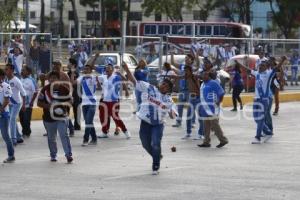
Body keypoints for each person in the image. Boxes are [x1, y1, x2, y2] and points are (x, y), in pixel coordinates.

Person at [123, 62, 177, 175]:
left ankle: (155, 166)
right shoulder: (149, 88)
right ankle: (157, 155)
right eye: (163, 84)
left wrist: (172, 113)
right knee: (145, 144)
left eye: (167, 87)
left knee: (155, 143)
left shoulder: (169, 100)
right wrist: (127, 69)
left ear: (168, 91)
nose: (164, 86)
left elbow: (173, 113)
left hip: (158, 125)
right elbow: (134, 81)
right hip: (145, 122)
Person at [237, 56, 286, 144]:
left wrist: (282, 60)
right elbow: (247, 69)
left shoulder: (269, 74)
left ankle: (257, 137)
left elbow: (277, 68)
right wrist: (239, 63)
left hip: (264, 100)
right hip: (256, 99)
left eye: (262, 66)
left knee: (260, 118)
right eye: (259, 66)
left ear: (266, 67)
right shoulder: (257, 73)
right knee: (256, 119)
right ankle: (268, 131)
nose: (260, 67)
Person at [37, 71, 73, 163]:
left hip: (62, 117)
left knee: (64, 135)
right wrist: (48, 106)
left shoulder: (64, 89)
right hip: (49, 118)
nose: (52, 79)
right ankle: (53, 155)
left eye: (54, 78)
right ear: (48, 80)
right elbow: (39, 103)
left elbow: (71, 101)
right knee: (51, 138)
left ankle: (68, 155)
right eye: (50, 78)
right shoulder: (44, 90)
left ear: (58, 79)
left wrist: (63, 105)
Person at [98, 63, 131, 139]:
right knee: (102, 116)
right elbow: (96, 80)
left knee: (115, 117)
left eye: (109, 68)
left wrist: (121, 74)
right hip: (104, 100)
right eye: (106, 68)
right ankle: (104, 132)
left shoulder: (116, 77)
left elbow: (126, 80)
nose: (107, 69)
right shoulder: (103, 77)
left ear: (112, 70)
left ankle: (125, 131)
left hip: (113, 100)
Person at [198, 70, 228, 148]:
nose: (204, 76)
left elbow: (221, 92)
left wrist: (219, 101)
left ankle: (223, 140)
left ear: (209, 76)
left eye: (206, 75)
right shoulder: (202, 84)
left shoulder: (213, 83)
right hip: (204, 108)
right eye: (203, 75)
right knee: (206, 126)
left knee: (215, 125)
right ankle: (206, 141)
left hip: (212, 108)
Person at [171, 52, 195, 128]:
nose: (186, 59)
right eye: (185, 58)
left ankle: (192, 122)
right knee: (180, 106)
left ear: (191, 60)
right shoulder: (182, 66)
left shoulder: (193, 68)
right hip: (182, 90)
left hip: (190, 90)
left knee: (191, 107)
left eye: (188, 58)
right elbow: (173, 63)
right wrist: (172, 54)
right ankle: (178, 121)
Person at [77, 64, 99, 146]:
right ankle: (94, 138)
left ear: (90, 71)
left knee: (88, 122)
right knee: (88, 122)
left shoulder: (93, 78)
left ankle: (85, 139)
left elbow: (95, 81)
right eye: (84, 69)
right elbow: (73, 82)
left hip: (92, 103)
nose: (85, 70)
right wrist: (72, 73)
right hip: (84, 103)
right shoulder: (81, 78)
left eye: (87, 69)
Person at [5, 63, 26, 145]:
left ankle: (13, 139)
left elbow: (23, 93)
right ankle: (19, 137)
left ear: (12, 70)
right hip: (9, 104)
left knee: (12, 120)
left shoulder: (16, 81)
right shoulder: (6, 80)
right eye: (5, 69)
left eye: (7, 69)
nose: (5, 70)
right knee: (12, 120)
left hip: (17, 103)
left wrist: (24, 105)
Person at [0, 69, 15, 163]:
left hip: (3, 115)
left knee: (5, 136)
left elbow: (6, 100)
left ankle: (11, 155)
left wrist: (0, 110)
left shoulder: (6, 86)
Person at [19, 66, 38, 137]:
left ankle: (26, 132)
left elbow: (35, 92)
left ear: (28, 72)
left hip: (28, 104)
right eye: (22, 70)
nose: (22, 71)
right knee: (21, 118)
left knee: (26, 119)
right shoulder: (20, 79)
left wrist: (31, 102)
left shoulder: (32, 80)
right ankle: (25, 130)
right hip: (20, 104)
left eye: (23, 70)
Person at [68, 58, 81, 131]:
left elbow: (72, 83)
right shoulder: (70, 72)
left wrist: (72, 72)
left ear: (73, 65)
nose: (67, 64)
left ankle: (77, 126)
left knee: (76, 110)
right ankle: (73, 125)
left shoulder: (75, 72)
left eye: (69, 63)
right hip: (71, 93)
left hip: (76, 94)